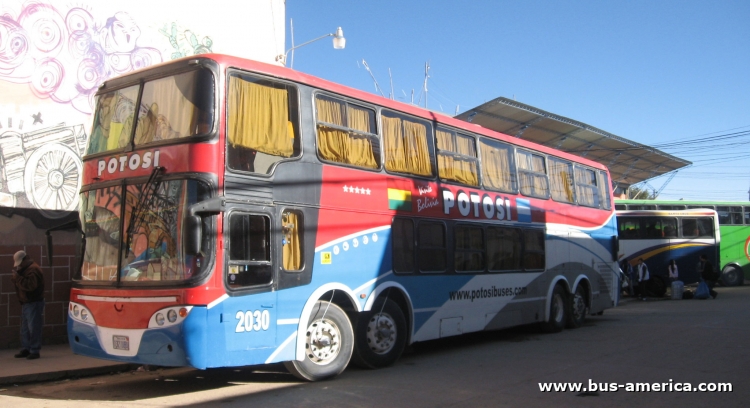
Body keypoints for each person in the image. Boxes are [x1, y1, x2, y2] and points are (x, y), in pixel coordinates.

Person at [10, 251, 45, 359]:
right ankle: (27, 348)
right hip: (27, 302)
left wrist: (18, 278)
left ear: (25, 260)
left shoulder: (33, 269)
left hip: (33, 302)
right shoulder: (27, 269)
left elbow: (30, 286)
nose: (19, 266)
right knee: (25, 328)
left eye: (20, 263)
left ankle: (34, 350)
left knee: (33, 327)